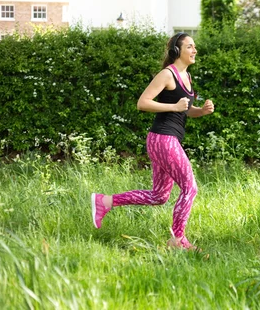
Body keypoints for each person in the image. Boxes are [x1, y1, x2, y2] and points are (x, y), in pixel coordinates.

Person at [91, 32, 214, 250]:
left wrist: (201, 111)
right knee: (190, 187)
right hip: (163, 139)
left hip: (165, 139)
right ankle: (177, 240)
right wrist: (173, 107)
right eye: (190, 47)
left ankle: (105, 201)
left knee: (159, 196)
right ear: (177, 51)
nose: (195, 50)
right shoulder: (167, 74)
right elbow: (143, 103)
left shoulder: (187, 77)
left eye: (195, 47)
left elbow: (185, 111)